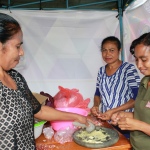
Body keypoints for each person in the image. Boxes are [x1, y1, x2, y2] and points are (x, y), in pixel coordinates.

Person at [0, 13, 88, 150]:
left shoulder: (16, 78)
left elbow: (38, 111)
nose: (21, 52)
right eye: (17, 46)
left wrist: (77, 117)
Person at [90, 36, 140, 137]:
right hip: (106, 121)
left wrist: (113, 111)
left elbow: (136, 99)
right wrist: (95, 106)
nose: (107, 54)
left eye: (112, 50)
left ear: (119, 51)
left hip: (124, 122)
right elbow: (97, 94)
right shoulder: (101, 71)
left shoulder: (128, 69)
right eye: (104, 50)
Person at [110, 32, 150, 150]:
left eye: (144, 59)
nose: (139, 65)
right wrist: (127, 115)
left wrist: (139, 125)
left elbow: (143, 124)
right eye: (136, 60)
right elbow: (144, 116)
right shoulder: (144, 82)